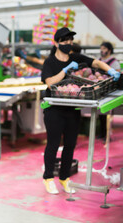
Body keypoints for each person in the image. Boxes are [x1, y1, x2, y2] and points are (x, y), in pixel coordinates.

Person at [41, 27, 120, 194]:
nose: (68, 43)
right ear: (56, 43)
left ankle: (64, 178)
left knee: (70, 145)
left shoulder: (76, 57)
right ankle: (48, 178)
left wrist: (110, 70)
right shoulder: (50, 62)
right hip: (54, 111)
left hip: (72, 109)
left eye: (70, 40)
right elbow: (49, 82)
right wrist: (65, 70)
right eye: (64, 41)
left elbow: (96, 63)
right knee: (53, 145)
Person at [97, 42, 121, 140]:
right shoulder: (98, 61)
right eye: (101, 48)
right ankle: (102, 133)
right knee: (100, 114)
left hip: (109, 90)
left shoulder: (114, 62)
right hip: (99, 89)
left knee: (108, 114)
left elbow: (118, 75)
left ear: (109, 50)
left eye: (104, 48)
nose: (102, 50)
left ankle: (107, 135)